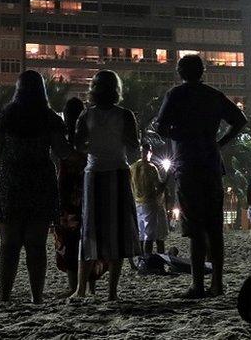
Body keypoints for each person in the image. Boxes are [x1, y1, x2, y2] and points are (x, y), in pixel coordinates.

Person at [154, 54, 247, 298]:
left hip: (187, 165)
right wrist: (219, 143)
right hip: (211, 164)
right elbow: (239, 120)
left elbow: (161, 126)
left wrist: (179, 133)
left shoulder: (175, 95)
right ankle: (217, 283)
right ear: (202, 72)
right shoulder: (214, 96)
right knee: (214, 228)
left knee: (195, 228)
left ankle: (198, 284)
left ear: (180, 72)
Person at [0, 70, 70, 303]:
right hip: (40, 179)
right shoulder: (50, 117)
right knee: (36, 244)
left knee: (9, 244)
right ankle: (36, 296)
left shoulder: (5, 115)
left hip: (10, 178)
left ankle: (4, 295)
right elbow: (62, 152)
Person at [75, 70, 141, 301]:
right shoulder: (125, 115)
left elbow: (78, 144)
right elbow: (134, 145)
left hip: (93, 173)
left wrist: (94, 147)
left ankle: (81, 288)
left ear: (93, 89)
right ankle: (112, 291)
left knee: (90, 229)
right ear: (116, 90)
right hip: (118, 171)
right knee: (117, 231)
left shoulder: (86, 115)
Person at [54, 97, 105, 296]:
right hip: (88, 185)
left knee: (69, 237)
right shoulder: (90, 134)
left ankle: (73, 284)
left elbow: (61, 155)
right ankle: (91, 285)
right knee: (90, 234)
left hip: (67, 188)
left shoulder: (63, 136)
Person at [130, 141, 169, 255]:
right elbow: (159, 187)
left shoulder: (132, 167)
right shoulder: (151, 167)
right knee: (150, 233)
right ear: (150, 152)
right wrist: (167, 176)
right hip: (150, 203)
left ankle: (142, 259)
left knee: (142, 233)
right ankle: (148, 260)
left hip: (137, 203)